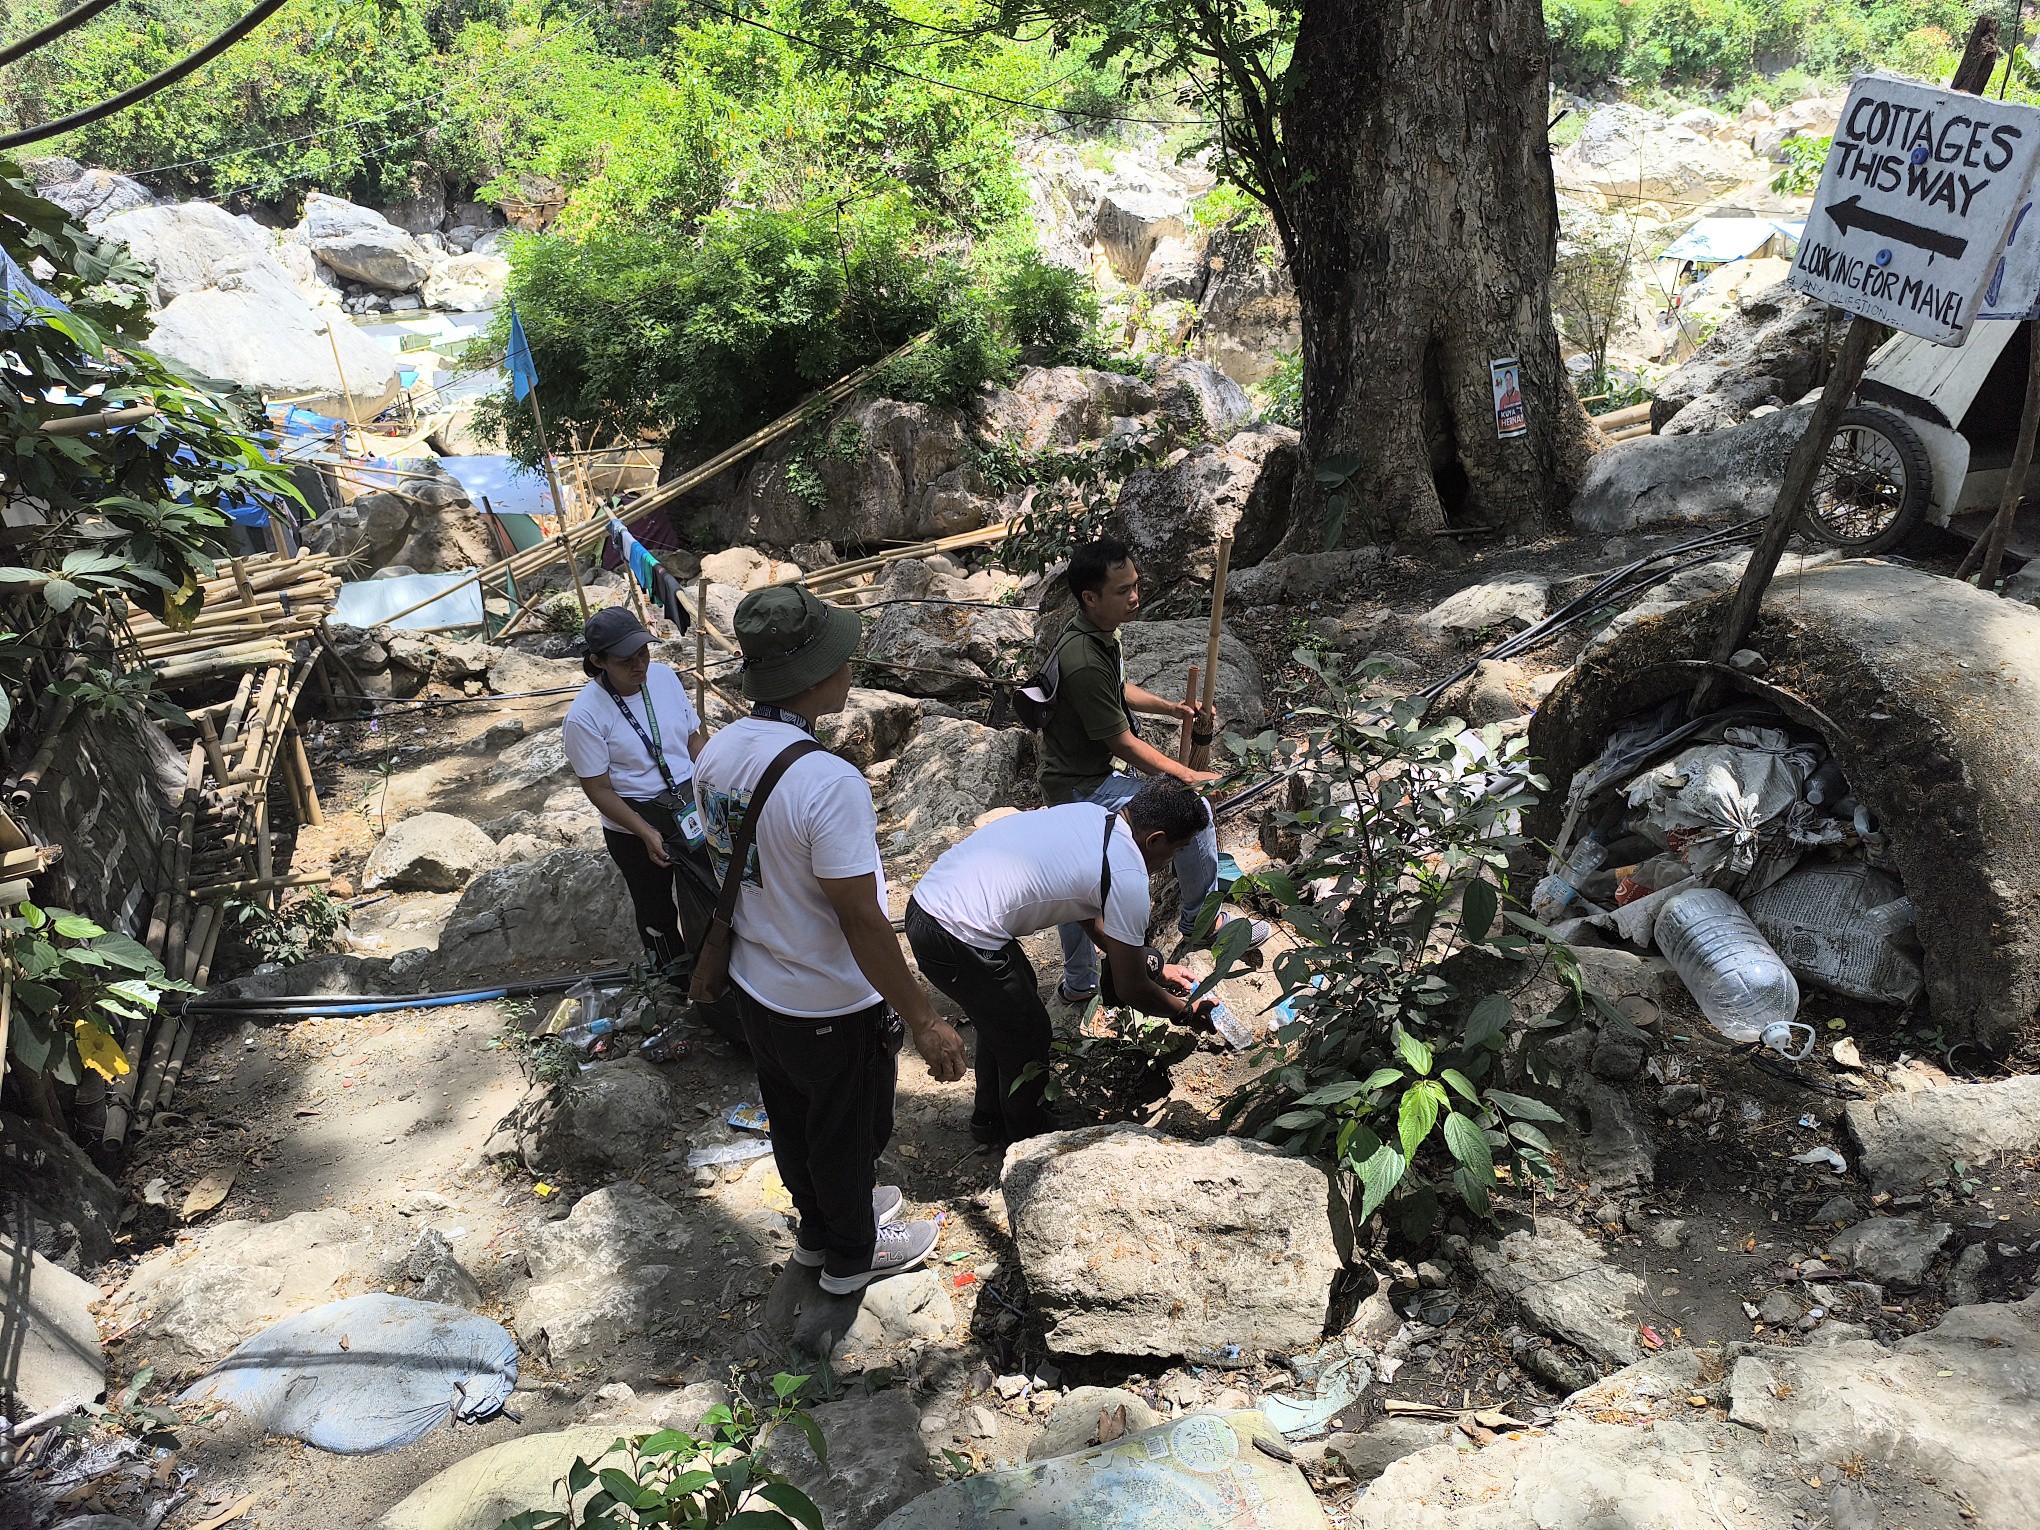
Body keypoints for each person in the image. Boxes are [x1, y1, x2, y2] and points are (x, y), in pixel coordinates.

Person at [693, 583, 969, 1295]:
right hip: (826, 998)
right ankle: (852, 1255)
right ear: (814, 675)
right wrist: (925, 1018)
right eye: (842, 655)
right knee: (847, 1131)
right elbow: (859, 917)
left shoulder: (718, 752)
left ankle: (819, 1229)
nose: (852, 667)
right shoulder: (827, 781)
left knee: (793, 1118)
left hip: (759, 985)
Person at [905, 779, 1219, 1146]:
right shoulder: (1128, 874)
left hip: (934, 903)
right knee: (1028, 1036)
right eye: (1176, 851)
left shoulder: (1095, 818)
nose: (1172, 863)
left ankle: (989, 1120)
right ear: (1155, 840)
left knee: (1007, 1013)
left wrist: (1158, 969)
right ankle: (1030, 1144)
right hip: (955, 932)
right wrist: (1184, 1012)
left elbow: (1088, 912)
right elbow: (1130, 988)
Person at [1039, 536, 1269, 1002]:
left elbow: (1119, 689)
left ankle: (1079, 983)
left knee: (1076, 873)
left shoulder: (1097, 634)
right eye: (1123, 590)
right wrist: (1186, 777)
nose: (1135, 596)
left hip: (1075, 778)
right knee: (1193, 811)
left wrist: (1172, 708)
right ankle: (1199, 919)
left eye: (1136, 585)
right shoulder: (1080, 658)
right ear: (1090, 597)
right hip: (1081, 787)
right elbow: (1120, 741)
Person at [563, 606, 715, 985]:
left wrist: (718, 782)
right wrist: (645, 832)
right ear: (598, 661)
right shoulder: (584, 716)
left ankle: (720, 971)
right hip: (633, 823)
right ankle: (673, 983)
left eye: (644, 654)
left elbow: (694, 739)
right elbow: (597, 788)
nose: (640, 667)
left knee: (714, 891)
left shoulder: (664, 678)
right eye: (626, 661)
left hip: (689, 805)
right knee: (656, 910)